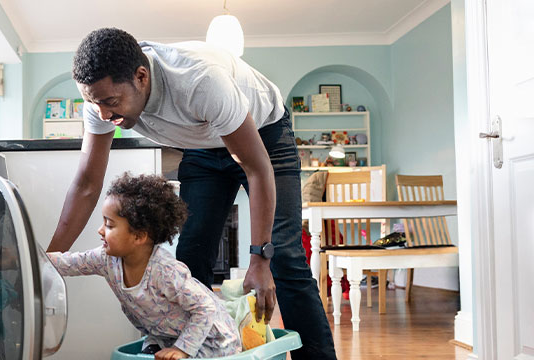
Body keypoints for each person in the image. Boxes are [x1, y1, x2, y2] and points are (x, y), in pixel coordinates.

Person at [46, 28, 336, 359]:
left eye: (111, 102)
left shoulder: (198, 81)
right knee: (191, 258)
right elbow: (86, 184)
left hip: (263, 134)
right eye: (93, 102)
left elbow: (257, 169)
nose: (103, 115)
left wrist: (259, 258)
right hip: (202, 146)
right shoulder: (101, 102)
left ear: (142, 77)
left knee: (284, 257)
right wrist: (47, 263)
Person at [47, 173, 242, 360]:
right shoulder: (105, 259)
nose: (100, 230)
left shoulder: (166, 271)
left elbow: (205, 309)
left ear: (139, 236)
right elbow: (68, 263)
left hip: (213, 341)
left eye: (109, 225)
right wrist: (26, 256)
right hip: (165, 337)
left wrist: (181, 349)